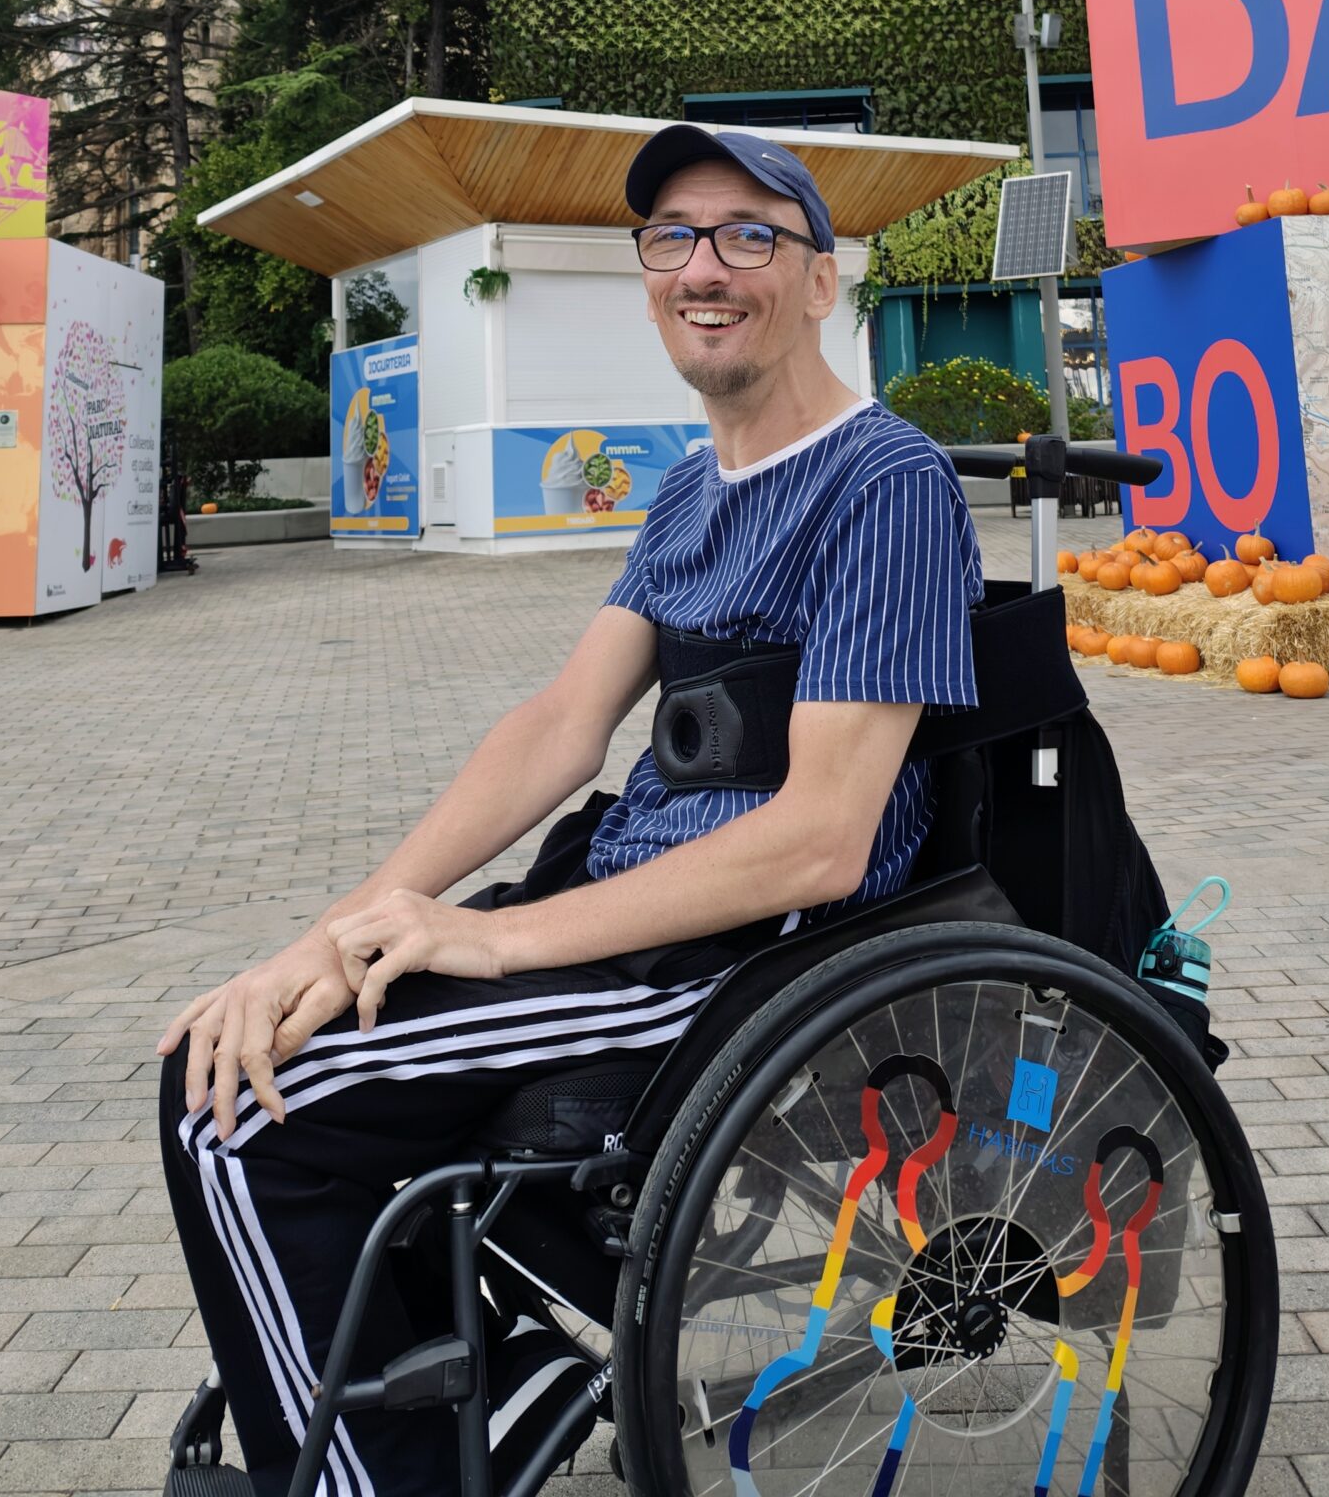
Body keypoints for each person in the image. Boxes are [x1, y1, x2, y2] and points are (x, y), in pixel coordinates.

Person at [156, 126, 984, 1497]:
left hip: (743, 955)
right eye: (672, 238)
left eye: (748, 236)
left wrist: (488, 941)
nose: (703, 269)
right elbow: (557, 729)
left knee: (237, 1116)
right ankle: (496, 1397)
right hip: (612, 914)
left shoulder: (883, 483)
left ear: (823, 280)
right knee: (241, 1039)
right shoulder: (687, 486)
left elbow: (825, 835)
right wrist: (351, 925)